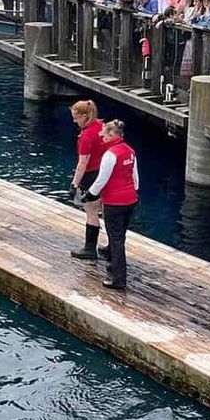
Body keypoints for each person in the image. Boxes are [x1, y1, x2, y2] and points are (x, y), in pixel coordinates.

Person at [86, 119, 138, 291]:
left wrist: (90, 194)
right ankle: (112, 262)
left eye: (105, 134)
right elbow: (135, 179)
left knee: (116, 240)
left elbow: (102, 179)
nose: (102, 136)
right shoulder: (130, 151)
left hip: (114, 202)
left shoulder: (110, 154)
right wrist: (131, 192)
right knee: (119, 236)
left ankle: (118, 278)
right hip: (130, 200)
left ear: (111, 134)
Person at [68, 100, 108, 262]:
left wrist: (74, 184)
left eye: (76, 118)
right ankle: (111, 247)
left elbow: (82, 164)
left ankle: (90, 248)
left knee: (91, 211)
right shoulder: (101, 127)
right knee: (107, 211)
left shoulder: (86, 137)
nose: (74, 121)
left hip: (91, 175)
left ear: (84, 117)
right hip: (105, 173)